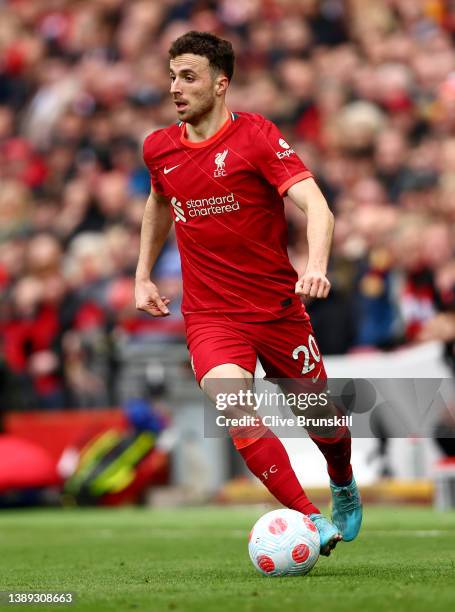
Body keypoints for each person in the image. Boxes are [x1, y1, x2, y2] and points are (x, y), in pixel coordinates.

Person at [135, 31, 362, 556]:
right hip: (211, 315)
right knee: (235, 407)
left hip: (277, 308)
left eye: (188, 76)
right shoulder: (158, 148)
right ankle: (311, 520)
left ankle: (343, 482)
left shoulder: (256, 136)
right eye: (171, 76)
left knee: (323, 420)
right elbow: (158, 203)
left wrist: (317, 267)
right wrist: (143, 274)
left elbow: (318, 207)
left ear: (221, 84)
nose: (175, 87)